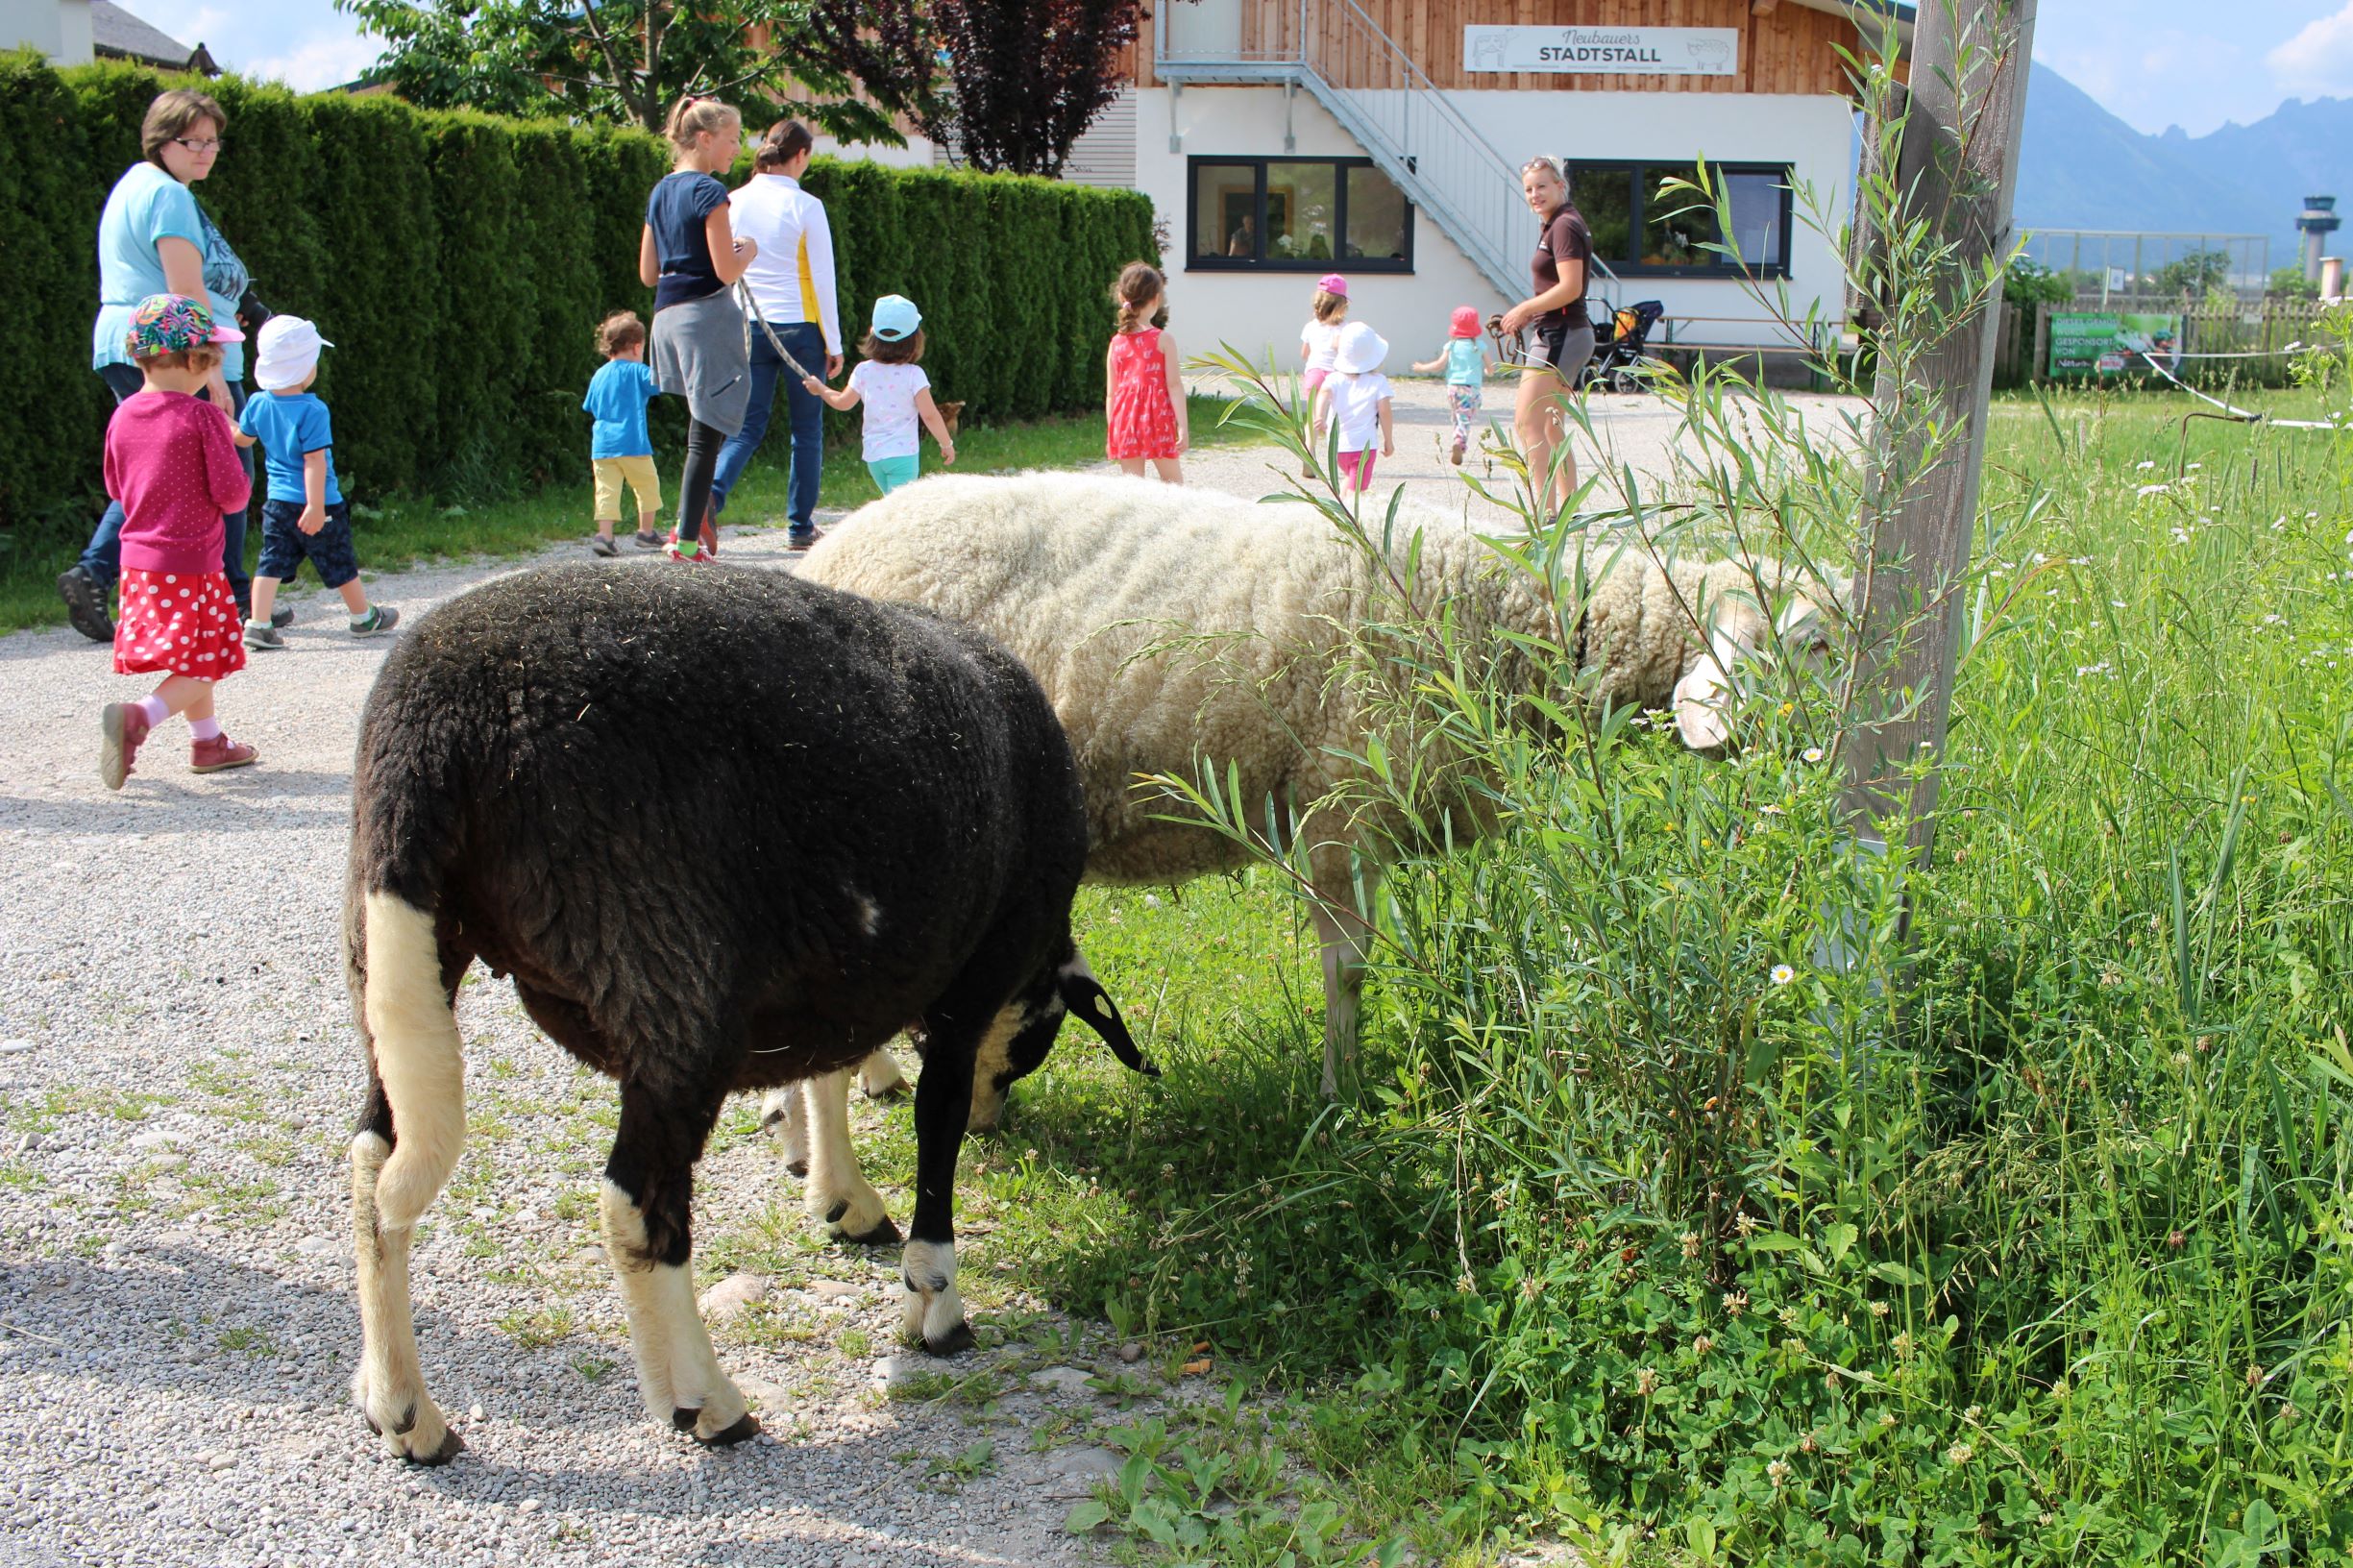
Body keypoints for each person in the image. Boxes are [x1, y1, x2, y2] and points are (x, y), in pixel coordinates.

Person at [60, 89, 277, 645]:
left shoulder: (136, 184)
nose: (206, 151)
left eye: (213, 140)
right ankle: (227, 595)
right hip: (173, 348)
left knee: (154, 469)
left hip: (132, 341)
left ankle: (100, 573)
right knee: (227, 466)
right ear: (163, 141)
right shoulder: (168, 197)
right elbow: (184, 291)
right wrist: (212, 373)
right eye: (193, 141)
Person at [96, 295, 257, 788]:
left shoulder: (124, 415)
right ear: (191, 360)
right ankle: (140, 716)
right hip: (193, 563)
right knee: (208, 657)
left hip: (139, 564)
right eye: (211, 359)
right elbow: (233, 496)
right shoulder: (202, 416)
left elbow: (116, 488)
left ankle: (208, 743)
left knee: (195, 656)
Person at [710, 118, 841, 551]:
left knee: (745, 428)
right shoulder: (806, 206)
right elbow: (823, 278)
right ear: (800, 156)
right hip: (800, 330)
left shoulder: (732, 200)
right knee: (806, 430)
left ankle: (708, 499)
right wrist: (834, 344)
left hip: (747, 323)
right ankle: (800, 527)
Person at [234, 316, 399, 648]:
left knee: (270, 561)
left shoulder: (257, 403)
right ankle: (363, 617)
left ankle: (258, 623)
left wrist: (222, 421)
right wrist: (315, 504)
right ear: (304, 368)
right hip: (319, 502)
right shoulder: (313, 409)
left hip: (277, 502)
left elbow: (241, 439)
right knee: (339, 560)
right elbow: (314, 460)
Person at [641, 95, 756, 563]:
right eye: (731, 140)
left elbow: (649, 272)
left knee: (701, 428)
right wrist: (747, 249)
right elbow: (727, 270)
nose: (736, 149)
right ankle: (686, 543)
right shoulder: (710, 191)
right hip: (705, 317)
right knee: (706, 434)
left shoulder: (660, 191)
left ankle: (687, 533)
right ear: (705, 139)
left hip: (666, 318)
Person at [1496, 156, 1596, 518]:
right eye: (1529, 189)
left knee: (1529, 422)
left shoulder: (1565, 226)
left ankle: (1545, 515)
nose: (1535, 194)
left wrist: (1524, 310)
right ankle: (1567, 512)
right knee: (1553, 426)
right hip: (1565, 332)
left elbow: (1570, 287)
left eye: (1542, 186)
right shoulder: (1558, 223)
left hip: (1560, 333)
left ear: (1560, 185)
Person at [803, 295, 956, 498]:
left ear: (872, 333)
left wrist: (821, 389)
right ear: (915, 339)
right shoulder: (914, 374)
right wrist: (947, 444)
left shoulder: (863, 371)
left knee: (892, 505)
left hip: (874, 457)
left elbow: (842, 402)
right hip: (903, 456)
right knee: (901, 511)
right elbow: (930, 415)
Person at [582, 311, 665, 554]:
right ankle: (646, 532)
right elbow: (658, 384)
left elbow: (589, 405)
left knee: (606, 490)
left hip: (602, 446)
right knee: (647, 485)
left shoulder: (599, 374)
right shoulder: (637, 371)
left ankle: (604, 536)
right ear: (637, 347)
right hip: (632, 443)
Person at [1105, 262, 1187, 483]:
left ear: (1122, 297)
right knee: (1174, 487)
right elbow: (1174, 386)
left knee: (1133, 491)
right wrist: (1183, 426)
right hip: (1157, 419)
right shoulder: (1164, 340)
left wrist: (1112, 430)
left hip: (1125, 422)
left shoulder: (1116, 343)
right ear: (1157, 299)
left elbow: (1112, 394)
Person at [1314, 320, 1394, 497]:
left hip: (1337, 447)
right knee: (1356, 492)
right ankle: (1345, 517)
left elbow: (1323, 394)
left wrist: (1318, 415)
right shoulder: (1378, 382)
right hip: (1364, 448)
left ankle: (1341, 509)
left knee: (1349, 481)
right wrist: (1389, 439)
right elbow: (1385, 412)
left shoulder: (1335, 379)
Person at [1410, 306, 1497, 466]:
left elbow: (1439, 365)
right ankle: (1459, 442)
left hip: (1453, 389)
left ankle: (1458, 440)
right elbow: (1491, 368)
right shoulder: (1479, 346)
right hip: (1470, 389)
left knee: (1457, 416)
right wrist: (1488, 371)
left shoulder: (1451, 345)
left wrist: (1422, 368)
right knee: (1465, 418)